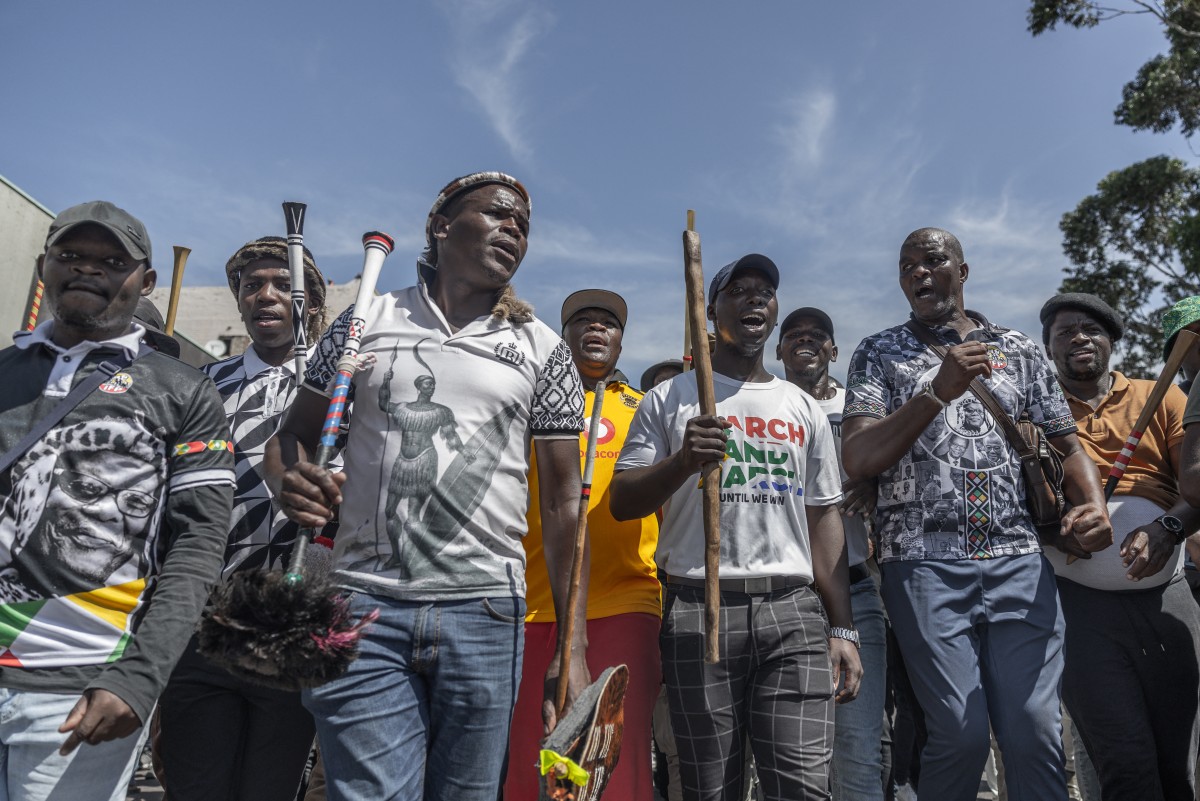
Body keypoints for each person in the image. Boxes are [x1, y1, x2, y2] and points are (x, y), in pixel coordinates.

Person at [265, 172, 587, 801]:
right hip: (362, 606)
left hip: (489, 613)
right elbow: (292, 436)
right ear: (441, 225)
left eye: (523, 225)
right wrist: (289, 480)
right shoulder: (364, 322)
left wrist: (571, 648)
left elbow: (563, 501)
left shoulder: (543, 349)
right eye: (498, 215)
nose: (514, 231)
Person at [842, 227, 1112, 801]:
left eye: (933, 260)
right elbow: (859, 457)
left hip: (1019, 560)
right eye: (906, 265)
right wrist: (936, 391)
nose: (917, 272)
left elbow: (1068, 446)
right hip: (922, 566)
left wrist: (1093, 506)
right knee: (960, 735)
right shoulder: (878, 352)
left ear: (961, 272)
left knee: (1034, 732)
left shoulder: (1018, 348)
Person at [0, 200, 234, 801]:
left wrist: (138, 678)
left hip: (77, 691)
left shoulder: (186, 391)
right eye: (71, 256)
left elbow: (199, 545)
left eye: (111, 261)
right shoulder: (4, 370)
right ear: (44, 266)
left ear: (144, 281)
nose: (87, 270)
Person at [612, 254, 862, 801]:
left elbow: (824, 518)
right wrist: (682, 462)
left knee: (801, 785)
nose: (755, 299)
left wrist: (842, 628)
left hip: (794, 612)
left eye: (765, 293)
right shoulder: (670, 397)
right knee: (707, 786)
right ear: (710, 311)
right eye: (739, 290)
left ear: (772, 316)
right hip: (699, 609)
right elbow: (622, 501)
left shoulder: (802, 407)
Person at [157, 236, 331, 801]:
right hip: (202, 618)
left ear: (311, 301)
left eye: (283, 285)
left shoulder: (344, 393)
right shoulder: (200, 386)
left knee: (271, 789)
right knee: (196, 785)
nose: (266, 295)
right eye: (252, 285)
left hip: (290, 621)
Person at [1042, 292, 1200, 800]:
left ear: (1112, 342)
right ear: (1048, 349)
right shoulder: (1033, 413)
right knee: (1125, 766)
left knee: (1183, 768)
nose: (1079, 338)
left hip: (1167, 599)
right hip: (1079, 610)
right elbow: (1023, 505)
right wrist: (1057, 530)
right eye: (1065, 332)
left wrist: (1167, 529)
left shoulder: (1164, 396)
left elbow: (1196, 487)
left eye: (1091, 329)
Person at [504, 288, 661, 800]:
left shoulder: (646, 408)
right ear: (564, 333)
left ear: (621, 341)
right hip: (535, 604)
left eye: (609, 323)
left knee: (612, 755)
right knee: (537, 754)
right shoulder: (529, 402)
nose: (597, 329)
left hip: (625, 600)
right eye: (583, 321)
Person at [776, 306, 886, 801]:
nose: (806, 341)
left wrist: (874, 482)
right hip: (781, 595)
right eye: (794, 335)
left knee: (858, 747)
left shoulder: (861, 411)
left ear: (833, 350)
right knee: (788, 751)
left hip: (857, 589)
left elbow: (900, 468)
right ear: (778, 351)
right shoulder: (761, 405)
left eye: (817, 335)